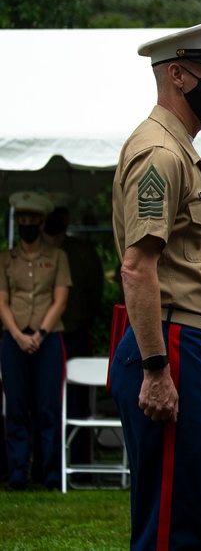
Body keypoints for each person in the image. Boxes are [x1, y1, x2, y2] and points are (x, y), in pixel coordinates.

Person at [110, 15, 201, 549]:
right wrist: (155, 369)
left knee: (183, 511)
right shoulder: (162, 154)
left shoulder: (175, 148)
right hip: (171, 344)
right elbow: (138, 267)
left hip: (186, 344)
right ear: (177, 76)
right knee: (171, 521)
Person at [0, 191, 71, 491]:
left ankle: (50, 473)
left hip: (49, 338)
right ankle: (18, 473)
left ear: (42, 223)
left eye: (32, 220)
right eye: (23, 220)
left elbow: (61, 300)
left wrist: (40, 334)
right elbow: (2, 301)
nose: (27, 224)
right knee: (16, 407)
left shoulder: (57, 257)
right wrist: (17, 335)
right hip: (13, 338)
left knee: (47, 408)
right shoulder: (6, 258)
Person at [42, 191, 105, 479]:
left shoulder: (81, 251)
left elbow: (95, 292)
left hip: (76, 332)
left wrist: (83, 320)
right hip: (43, 335)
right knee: (45, 400)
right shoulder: (36, 253)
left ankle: (80, 467)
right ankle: (47, 465)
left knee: (78, 403)